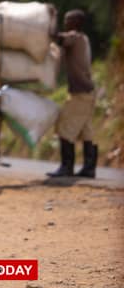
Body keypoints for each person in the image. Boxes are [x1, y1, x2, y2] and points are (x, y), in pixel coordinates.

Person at [47, 10, 98, 179]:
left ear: (75, 23)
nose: (65, 23)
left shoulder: (74, 37)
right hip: (89, 92)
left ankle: (66, 167)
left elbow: (60, 39)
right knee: (86, 131)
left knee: (64, 126)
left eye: (68, 20)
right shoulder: (84, 39)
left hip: (80, 93)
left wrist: (47, 28)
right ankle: (89, 169)